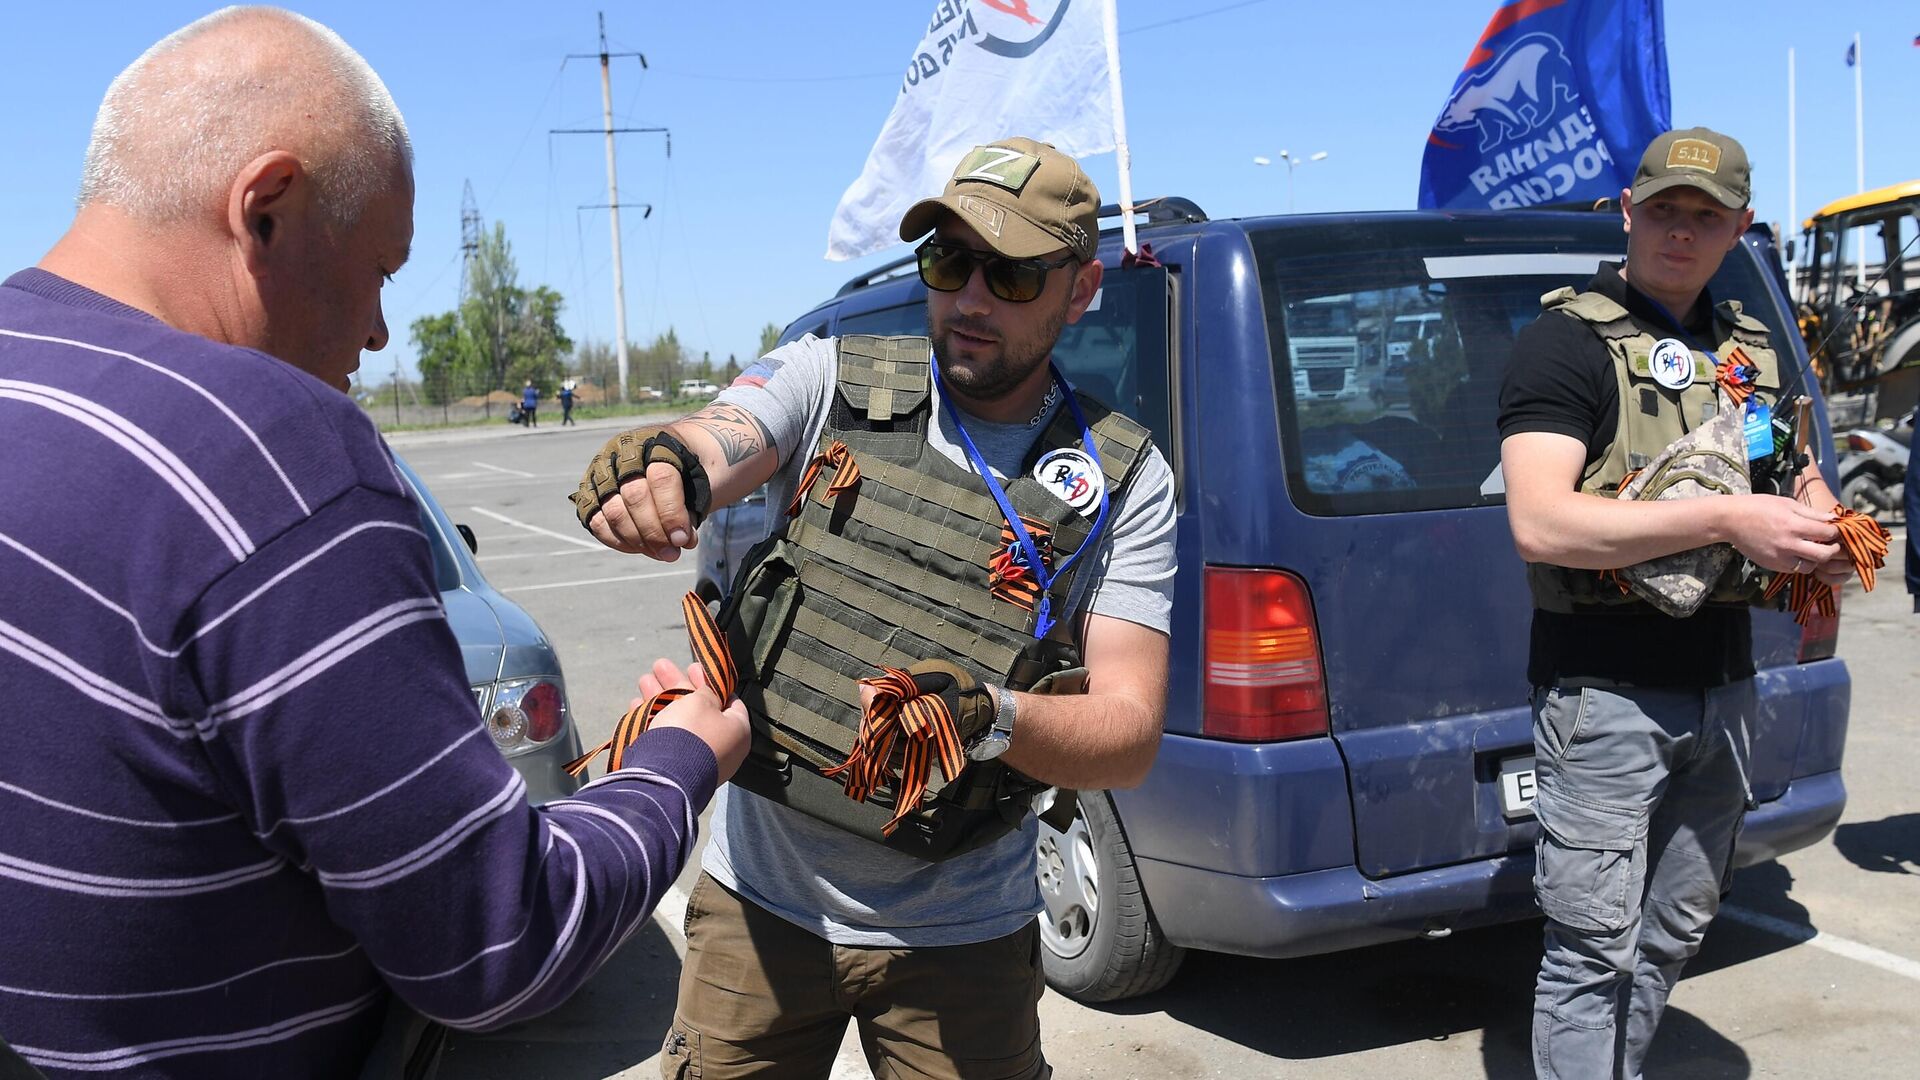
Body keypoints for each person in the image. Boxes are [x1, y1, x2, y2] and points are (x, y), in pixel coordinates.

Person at [0, 8, 749, 1079]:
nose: (379, 335)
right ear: (266, 210)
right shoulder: (268, 454)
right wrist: (678, 759)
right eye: (382, 271)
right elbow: (498, 942)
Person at [573, 138, 1176, 1079]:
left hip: (966, 940)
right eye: (948, 260)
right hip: (759, 918)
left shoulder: (1121, 478)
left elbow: (1131, 734)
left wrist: (991, 719)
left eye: (1013, 273)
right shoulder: (832, 379)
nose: (971, 297)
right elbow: (724, 433)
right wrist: (670, 467)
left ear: (1081, 287)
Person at [1498, 127, 1852, 1079]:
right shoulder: (1563, 344)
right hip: (1604, 688)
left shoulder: (1748, 344)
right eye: (1663, 209)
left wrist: (1819, 517)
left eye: (1705, 216)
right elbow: (1539, 521)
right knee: (1591, 946)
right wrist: (1736, 519)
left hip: (1725, 684)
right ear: (1628, 211)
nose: (1681, 232)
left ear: (1740, 226)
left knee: (1674, 929)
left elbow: (1792, 464)